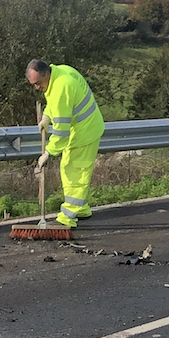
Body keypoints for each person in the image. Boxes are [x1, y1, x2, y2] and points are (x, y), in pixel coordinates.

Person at [27, 59, 105, 228]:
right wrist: (47, 116)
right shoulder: (59, 75)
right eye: (33, 84)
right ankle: (81, 207)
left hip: (85, 132)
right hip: (81, 130)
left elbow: (61, 130)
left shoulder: (61, 86)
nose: (36, 87)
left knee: (75, 171)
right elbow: (55, 104)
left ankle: (68, 216)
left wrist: (48, 152)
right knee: (69, 168)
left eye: (38, 83)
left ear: (45, 74)